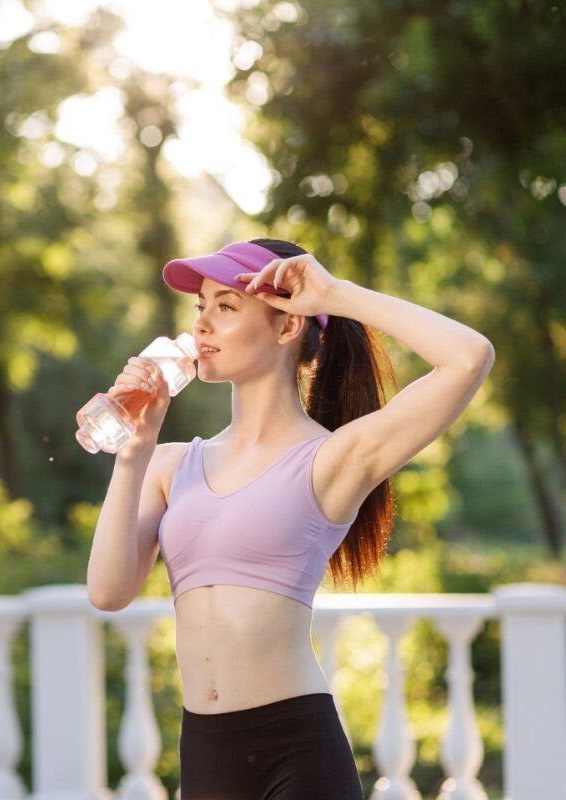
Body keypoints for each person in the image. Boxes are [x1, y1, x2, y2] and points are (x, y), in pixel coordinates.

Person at [85, 238, 495, 799]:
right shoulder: (168, 462)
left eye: (226, 306)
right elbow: (107, 592)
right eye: (199, 306)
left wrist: (335, 294)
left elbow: (470, 356)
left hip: (296, 753)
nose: (203, 322)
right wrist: (133, 450)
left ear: (286, 328)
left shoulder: (332, 459)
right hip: (205, 754)